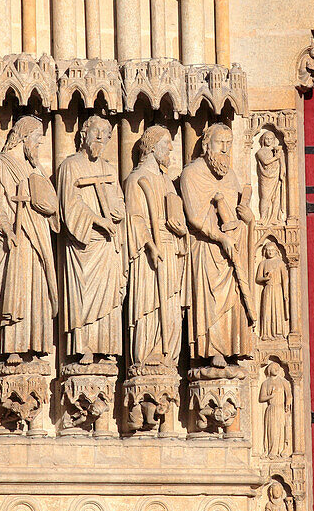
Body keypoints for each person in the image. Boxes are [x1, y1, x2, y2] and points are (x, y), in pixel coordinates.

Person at [181, 123, 256, 367]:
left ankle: (233, 347)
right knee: (210, 302)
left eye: (229, 143)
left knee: (233, 300)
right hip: (206, 248)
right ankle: (212, 352)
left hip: (230, 249)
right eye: (219, 143)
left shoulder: (231, 176)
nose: (225, 149)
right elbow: (194, 217)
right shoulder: (191, 173)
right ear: (206, 145)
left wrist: (247, 219)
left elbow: (235, 213)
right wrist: (220, 237)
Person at [0, 116, 59, 358]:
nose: (39, 145)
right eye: (37, 140)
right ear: (25, 137)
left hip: (37, 237)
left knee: (36, 290)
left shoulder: (34, 169)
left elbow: (51, 207)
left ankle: (36, 345)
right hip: (15, 238)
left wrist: (39, 171)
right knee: (16, 288)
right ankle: (12, 348)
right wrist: (7, 230)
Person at [56, 115, 126, 363]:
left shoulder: (109, 168)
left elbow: (118, 199)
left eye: (105, 134)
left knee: (108, 297)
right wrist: (98, 220)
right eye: (95, 131)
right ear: (84, 133)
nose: (100, 137)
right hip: (84, 244)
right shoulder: (70, 166)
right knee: (83, 294)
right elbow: (69, 204)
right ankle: (83, 346)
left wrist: (118, 211)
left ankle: (106, 346)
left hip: (107, 245)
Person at [124, 125, 187, 369]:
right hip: (148, 254)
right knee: (149, 302)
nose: (171, 148)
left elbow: (177, 217)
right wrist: (150, 245)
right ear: (151, 147)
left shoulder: (168, 183)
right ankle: (147, 352)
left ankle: (168, 354)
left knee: (170, 303)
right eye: (166, 142)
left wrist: (181, 232)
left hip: (170, 249)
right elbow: (134, 218)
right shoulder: (135, 180)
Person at [255, 241, 289, 341]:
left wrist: (285, 292)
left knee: (277, 310)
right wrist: (265, 278)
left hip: (278, 290)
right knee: (267, 311)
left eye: (272, 250)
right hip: (268, 289)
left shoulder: (280, 263)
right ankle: (266, 333)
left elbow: (285, 279)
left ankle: (278, 333)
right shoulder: (263, 263)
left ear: (276, 251)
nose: (270, 252)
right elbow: (258, 279)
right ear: (265, 251)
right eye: (268, 250)